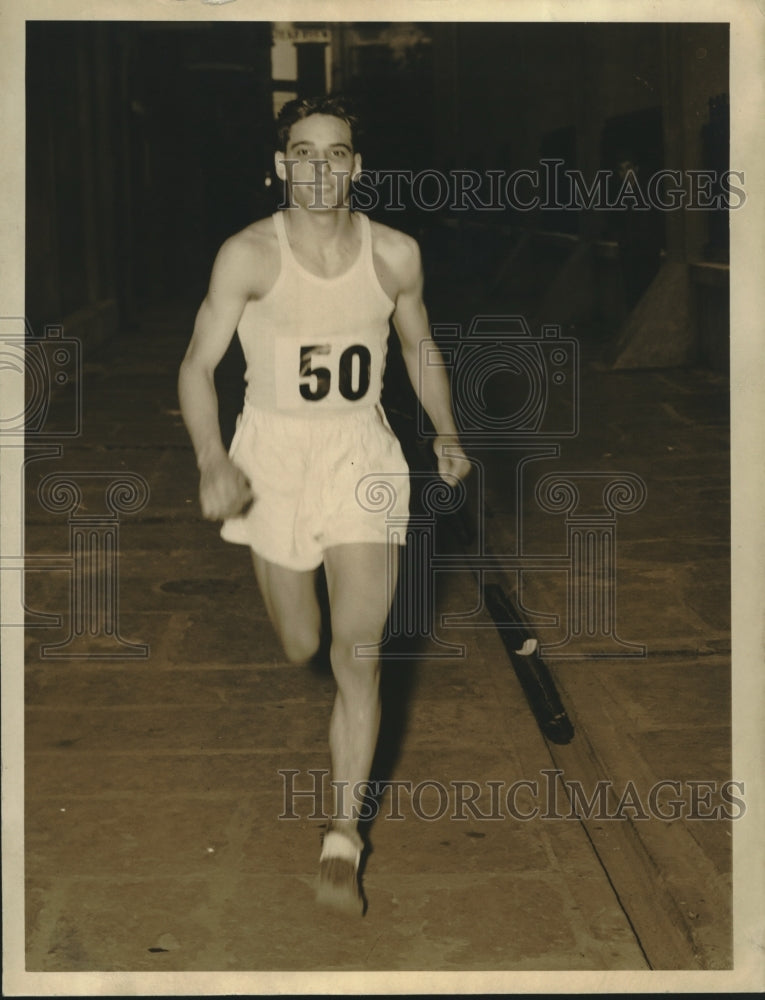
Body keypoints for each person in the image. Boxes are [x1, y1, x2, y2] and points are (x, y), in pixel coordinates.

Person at [178, 94, 470, 916]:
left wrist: (444, 431)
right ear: (280, 166)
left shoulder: (394, 255)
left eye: (335, 153)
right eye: (302, 153)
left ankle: (342, 835)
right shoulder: (247, 256)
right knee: (301, 640)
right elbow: (196, 367)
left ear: (356, 166)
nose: (318, 168)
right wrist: (211, 458)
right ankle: (303, 634)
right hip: (270, 458)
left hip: (358, 454)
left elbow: (418, 345)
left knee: (359, 649)